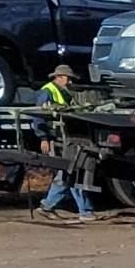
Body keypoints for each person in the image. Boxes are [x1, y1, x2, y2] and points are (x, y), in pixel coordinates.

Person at [33, 66, 94, 220]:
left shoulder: (62, 92)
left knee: (67, 173)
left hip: (64, 139)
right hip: (57, 139)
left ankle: (49, 206)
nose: (70, 81)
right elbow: (38, 116)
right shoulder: (47, 91)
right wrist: (43, 138)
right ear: (59, 77)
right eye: (68, 78)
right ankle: (84, 211)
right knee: (68, 172)